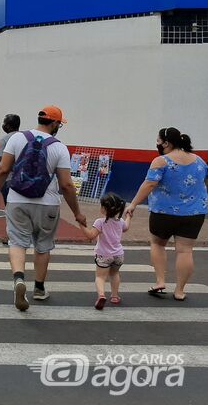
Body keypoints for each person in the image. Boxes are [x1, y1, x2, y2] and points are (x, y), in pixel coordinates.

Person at [0, 106, 86, 311]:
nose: (59, 126)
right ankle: (40, 289)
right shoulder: (59, 147)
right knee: (43, 246)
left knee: (17, 241)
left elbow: (3, 169)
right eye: (59, 123)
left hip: (17, 199)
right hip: (48, 203)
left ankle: (18, 279)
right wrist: (77, 213)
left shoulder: (16, 139)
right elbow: (67, 185)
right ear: (54, 123)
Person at [125, 127, 207, 301]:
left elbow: (149, 185)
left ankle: (160, 281)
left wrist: (133, 204)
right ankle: (179, 291)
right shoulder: (199, 160)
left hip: (164, 212)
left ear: (166, 143)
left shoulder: (161, 161)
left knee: (158, 244)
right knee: (185, 251)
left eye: (158, 140)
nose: (157, 144)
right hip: (194, 213)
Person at [79, 193, 130, 310]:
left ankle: (101, 295)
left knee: (100, 277)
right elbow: (126, 227)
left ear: (104, 208)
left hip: (103, 255)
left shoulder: (100, 222)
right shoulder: (120, 221)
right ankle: (115, 296)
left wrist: (81, 225)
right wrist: (129, 217)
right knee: (115, 274)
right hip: (118, 255)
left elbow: (90, 235)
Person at [0, 114, 21, 205]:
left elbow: (3, 162)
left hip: (9, 179)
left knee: (10, 207)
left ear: (7, 126)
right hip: (24, 178)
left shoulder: (4, 139)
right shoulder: (26, 137)